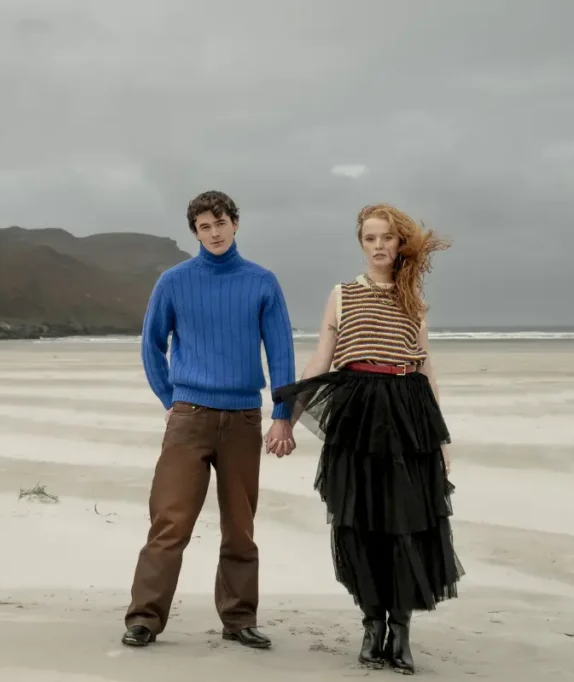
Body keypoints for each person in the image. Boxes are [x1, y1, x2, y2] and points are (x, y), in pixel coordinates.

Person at [269, 203, 463, 674]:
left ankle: (400, 631)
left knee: (406, 525)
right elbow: (321, 360)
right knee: (357, 524)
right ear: (362, 243)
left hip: (408, 415)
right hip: (357, 415)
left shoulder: (413, 297)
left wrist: (441, 440)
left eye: (387, 238)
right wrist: (284, 420)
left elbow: (425, 366)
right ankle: (372, 623)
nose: (378, 245)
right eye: (370, 238)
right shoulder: (341, 294)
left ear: (400, 244)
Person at [121, 189, 296, 650]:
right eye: (204, 226)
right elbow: (151, 345)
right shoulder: (174, 282)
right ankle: (144, 618)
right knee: (170, 521)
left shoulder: (262, 282)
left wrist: (282, 415)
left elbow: (281, 353)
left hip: (242, 419)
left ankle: (239, 620)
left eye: (221, 223)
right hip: (190, 418)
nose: (214, 233)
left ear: (236, 224)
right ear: (195, 232)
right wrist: (170, 399)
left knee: (240, 526)